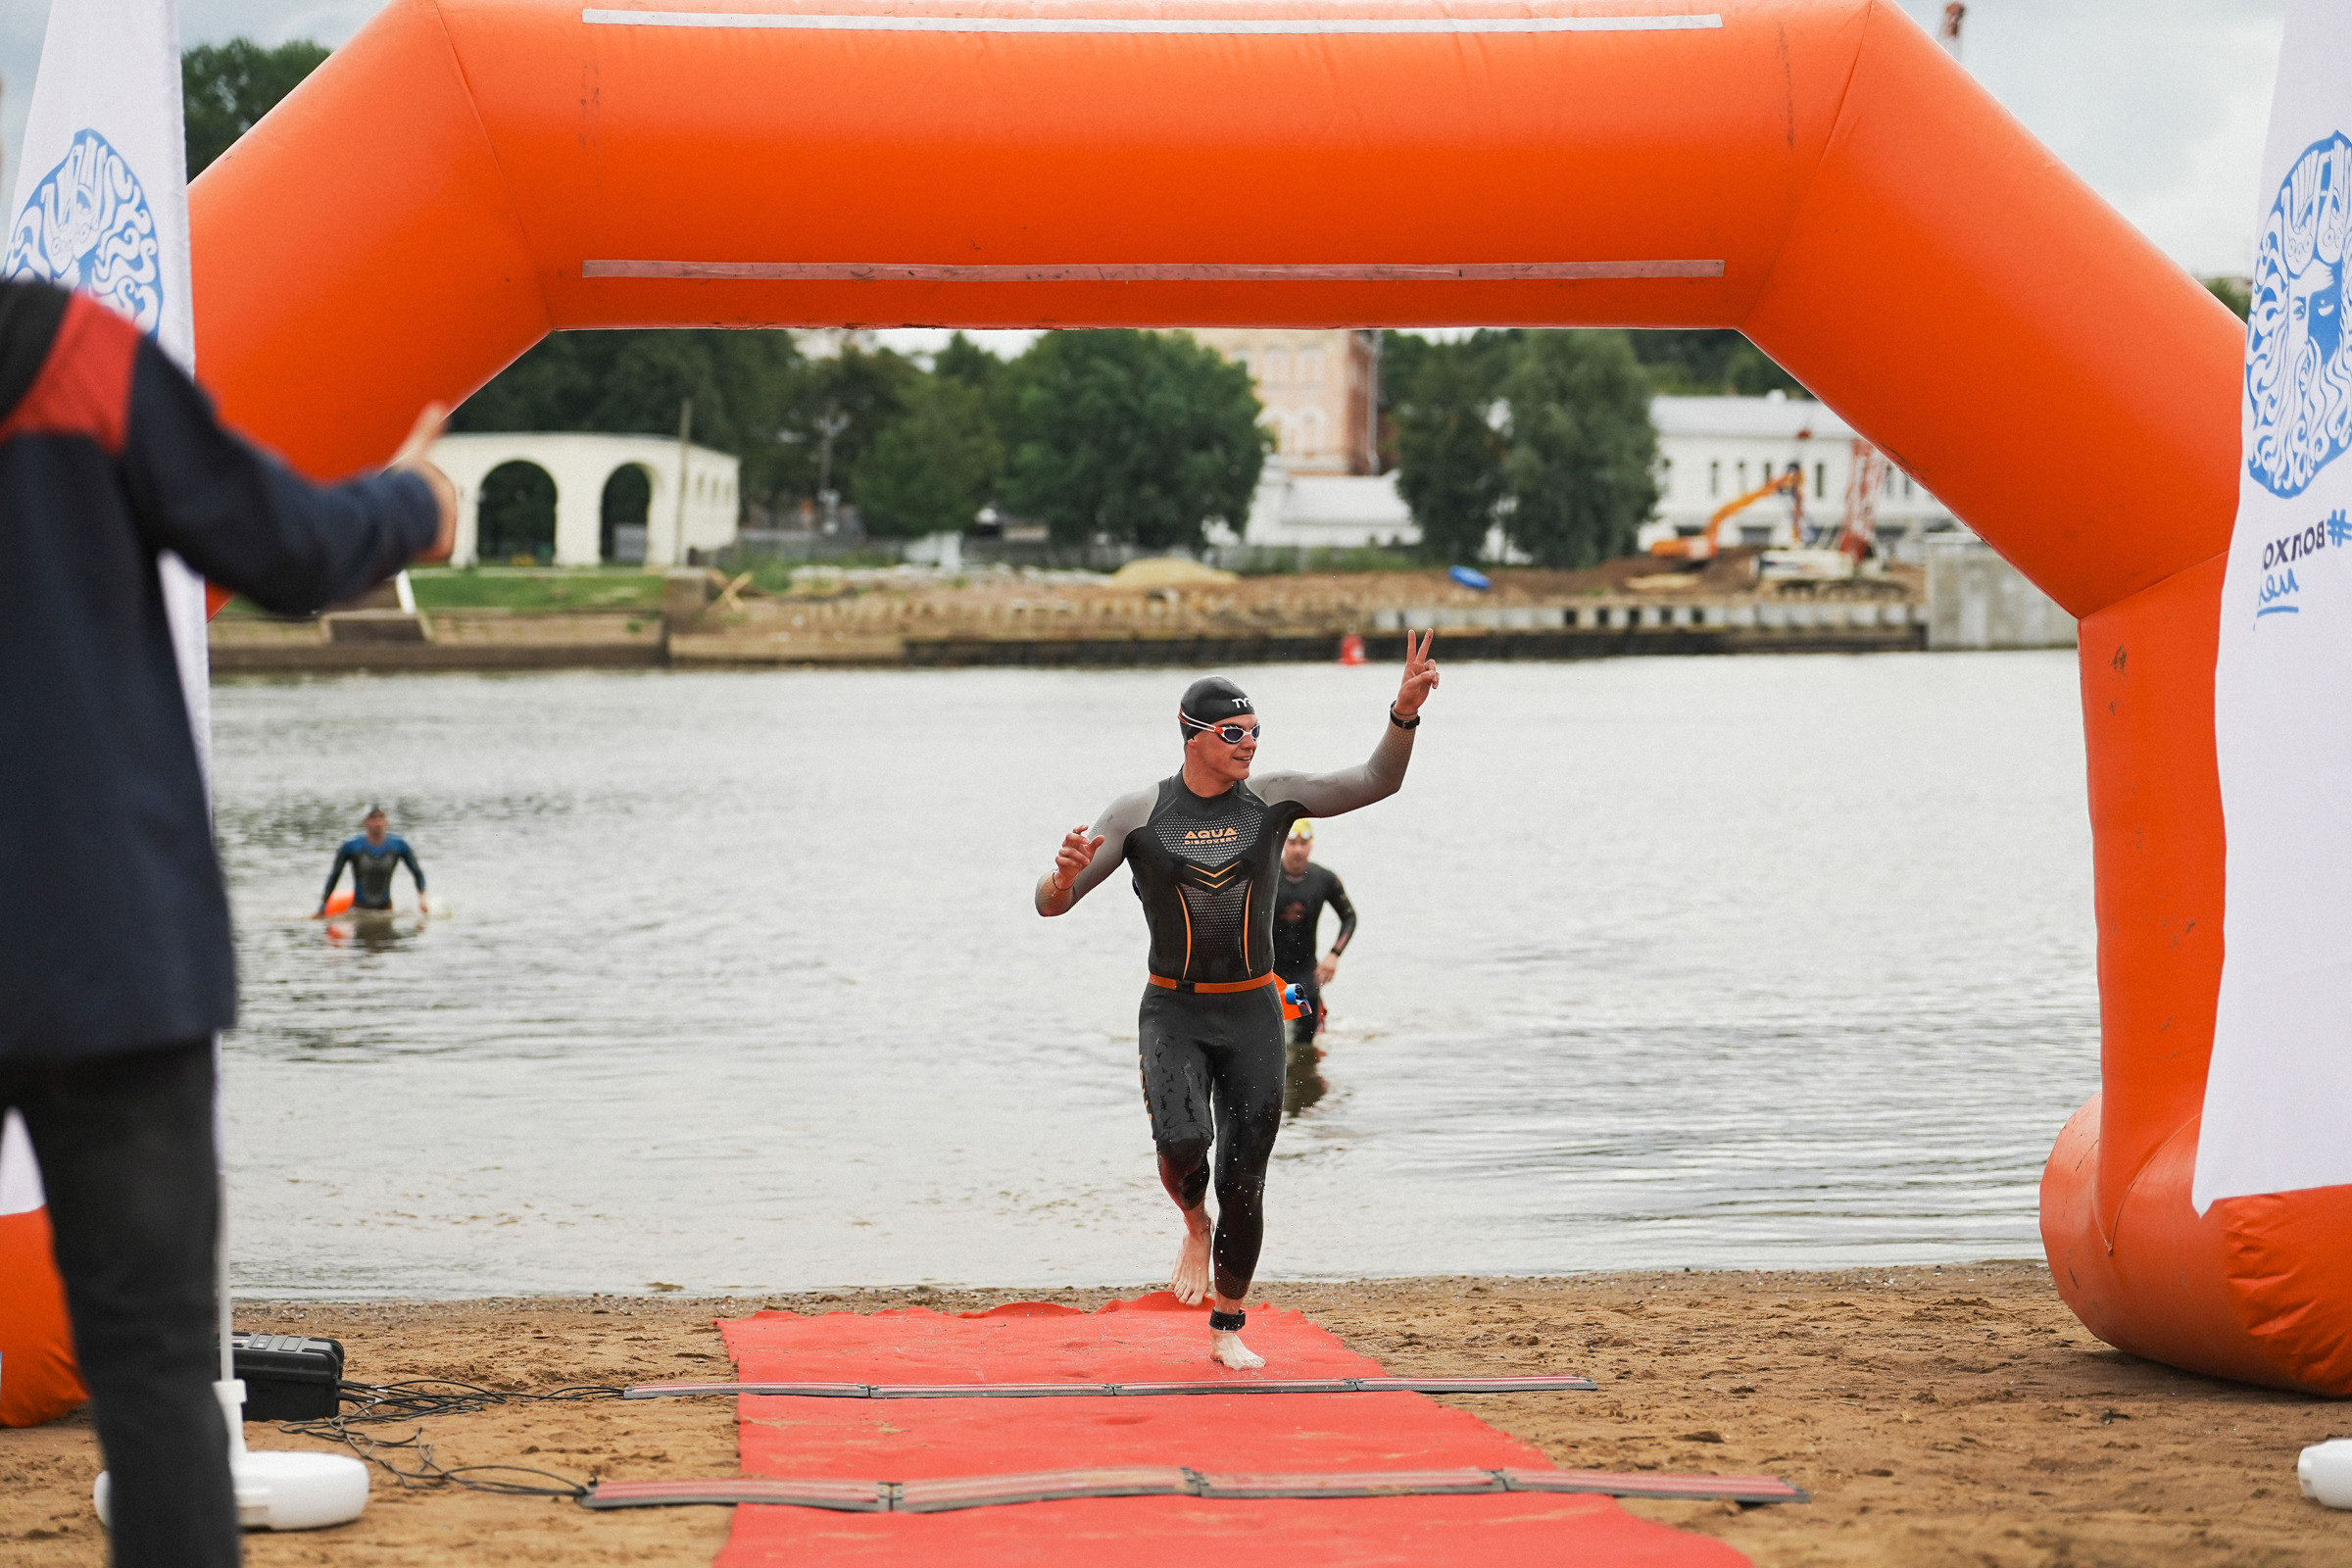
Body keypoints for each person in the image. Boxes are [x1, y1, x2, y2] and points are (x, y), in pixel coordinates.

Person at [0, 267, 457, 1568]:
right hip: (108, 948)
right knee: (154, 1375)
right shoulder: (71, 353)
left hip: (108, 951)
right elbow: (288, 548)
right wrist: (415, 502)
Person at [1036, 634, 1439, 1369]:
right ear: (1192, 735)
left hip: (1253, 1009)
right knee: (1182, 1143)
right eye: (1233, 733)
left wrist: (1403, 713)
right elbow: (1050, 905)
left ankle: (1227, 1326)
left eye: (1255, 731)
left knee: (1245, 1176)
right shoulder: (1138, 813)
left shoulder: (1272, 800)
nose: (1249, 743)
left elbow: (1377, 780)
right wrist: (1060, 878)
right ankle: (1194, 1222)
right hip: (1174, 1010)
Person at [1271, 819, 1355, 1054]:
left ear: (1311, 845)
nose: (1298, 849)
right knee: (1266, 1043)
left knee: (1303, 1047)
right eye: (1292, 843)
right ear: (1283, 844)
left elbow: (1349, 917)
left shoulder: (1324, 879)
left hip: (1304, 974)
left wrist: (1334, 955)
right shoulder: (1267, 876)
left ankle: (1308, 1074)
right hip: (1269, 972)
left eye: (1303, 843)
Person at [318, 808, 428, 915]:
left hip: (386, 910)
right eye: (373, 818)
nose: (378, 823)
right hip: (359, 910)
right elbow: (335, 875)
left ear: (386, 821)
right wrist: (323, 905)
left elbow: (417, 873)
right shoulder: (351, 846)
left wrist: (422, 899)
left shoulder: (399, 845)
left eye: (381, 817)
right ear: (366, 822)